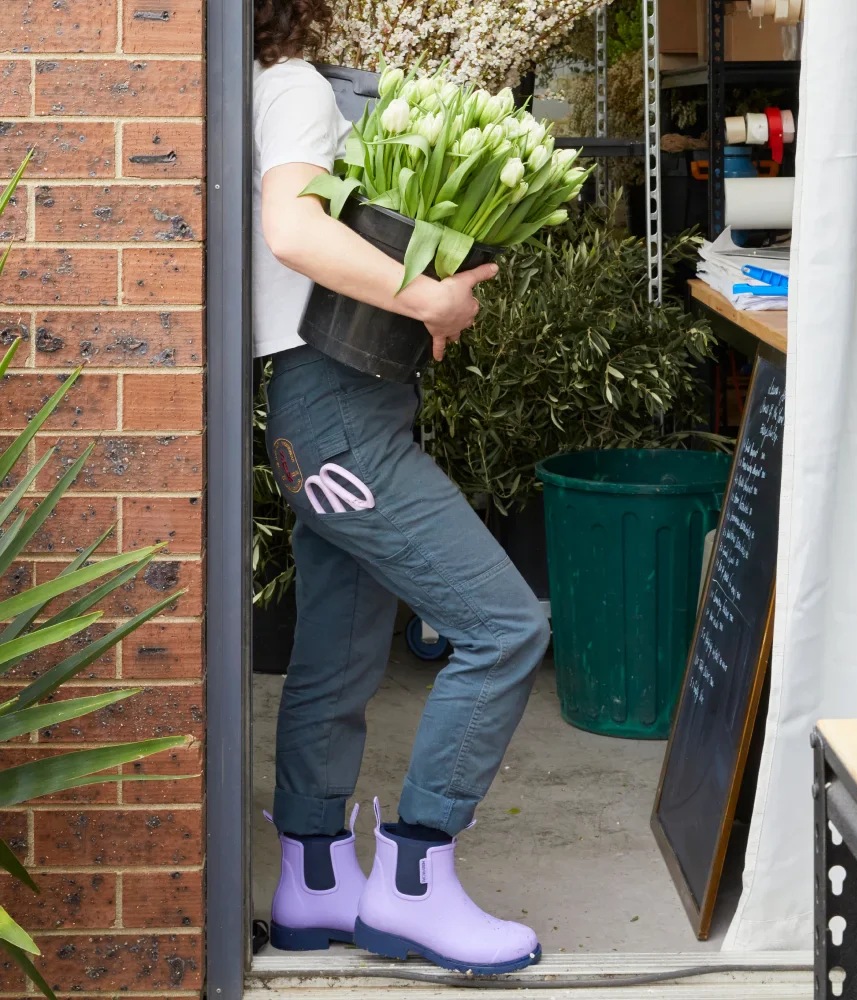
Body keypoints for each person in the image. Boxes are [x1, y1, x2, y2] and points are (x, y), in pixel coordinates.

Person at [253, 0, 549, 975]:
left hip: (319, 407)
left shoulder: (253, 87)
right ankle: (415, 882)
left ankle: (315, 882)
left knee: (337, 650)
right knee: (504, 626)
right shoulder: (295, 88)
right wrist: (430, 297)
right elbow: (292, 231)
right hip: (339, 412)